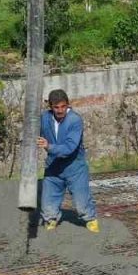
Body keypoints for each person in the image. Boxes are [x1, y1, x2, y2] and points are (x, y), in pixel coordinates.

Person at [37, 89, 99, 233]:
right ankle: (51, 220)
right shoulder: (44, 118)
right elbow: (33, 131)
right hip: (53, 166)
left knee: (81, 203)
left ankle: (91, 220)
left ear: (68, 105)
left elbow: (70, 147)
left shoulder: (75, 120)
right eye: (56, 107)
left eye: (63, 106)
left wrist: (49, 146)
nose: (60, 110)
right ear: (50, 107)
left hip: (74, 167)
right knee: (48, 202)